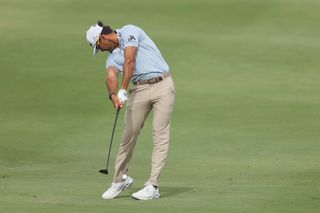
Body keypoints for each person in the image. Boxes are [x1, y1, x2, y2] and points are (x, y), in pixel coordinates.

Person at [86, 21, 175, 200]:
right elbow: (111, 75)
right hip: (139, 90)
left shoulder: (129, 31)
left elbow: (130, 60)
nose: (101, 50)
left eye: (99, 46)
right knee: (129, 136)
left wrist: (123, 89)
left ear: (102, 38)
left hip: (163, 85)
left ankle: (152, 185)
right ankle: (120, 179)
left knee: (160, 135)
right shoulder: (111, 57)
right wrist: (113, 95)